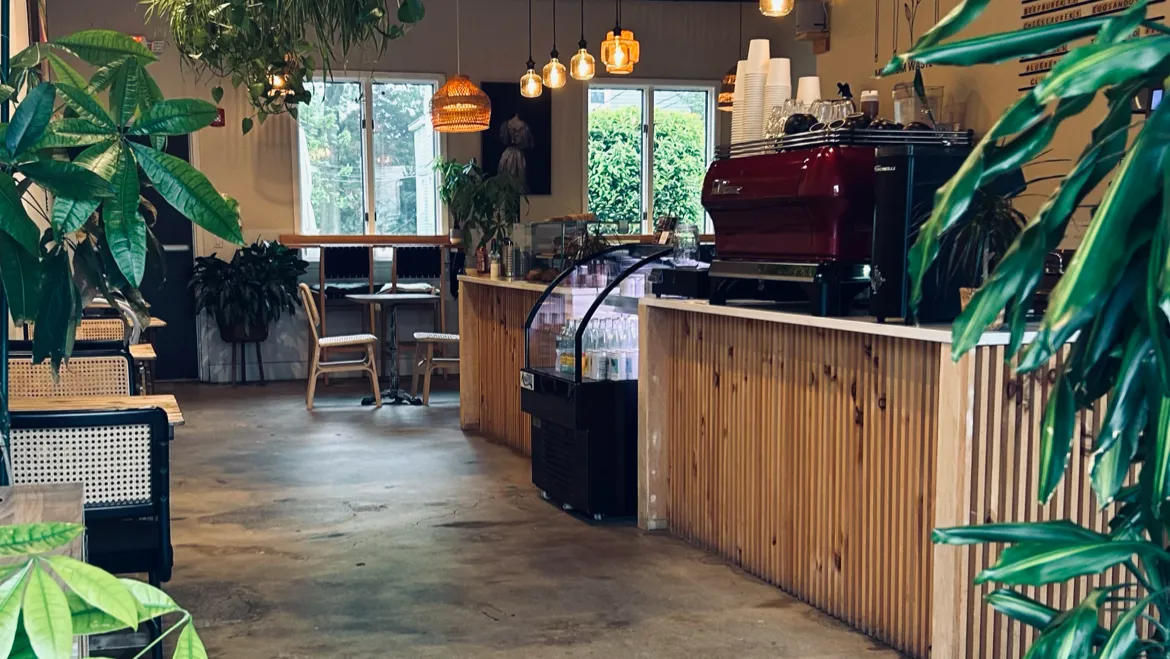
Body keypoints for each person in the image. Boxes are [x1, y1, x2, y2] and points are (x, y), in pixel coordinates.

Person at [498, 114, 533, 192]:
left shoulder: (507, 124)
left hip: (508, 154)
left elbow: (503, 139)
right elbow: (527, 143)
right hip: (515, 154)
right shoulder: (523, 125)